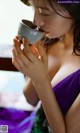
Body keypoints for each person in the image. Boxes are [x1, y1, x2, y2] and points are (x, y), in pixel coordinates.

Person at [12, 0, 80, 133]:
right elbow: (30, 99)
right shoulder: (50, 41)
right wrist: (30, 63)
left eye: (44, 12)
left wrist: (41, 80)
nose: (36, 22)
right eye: (34, 10)